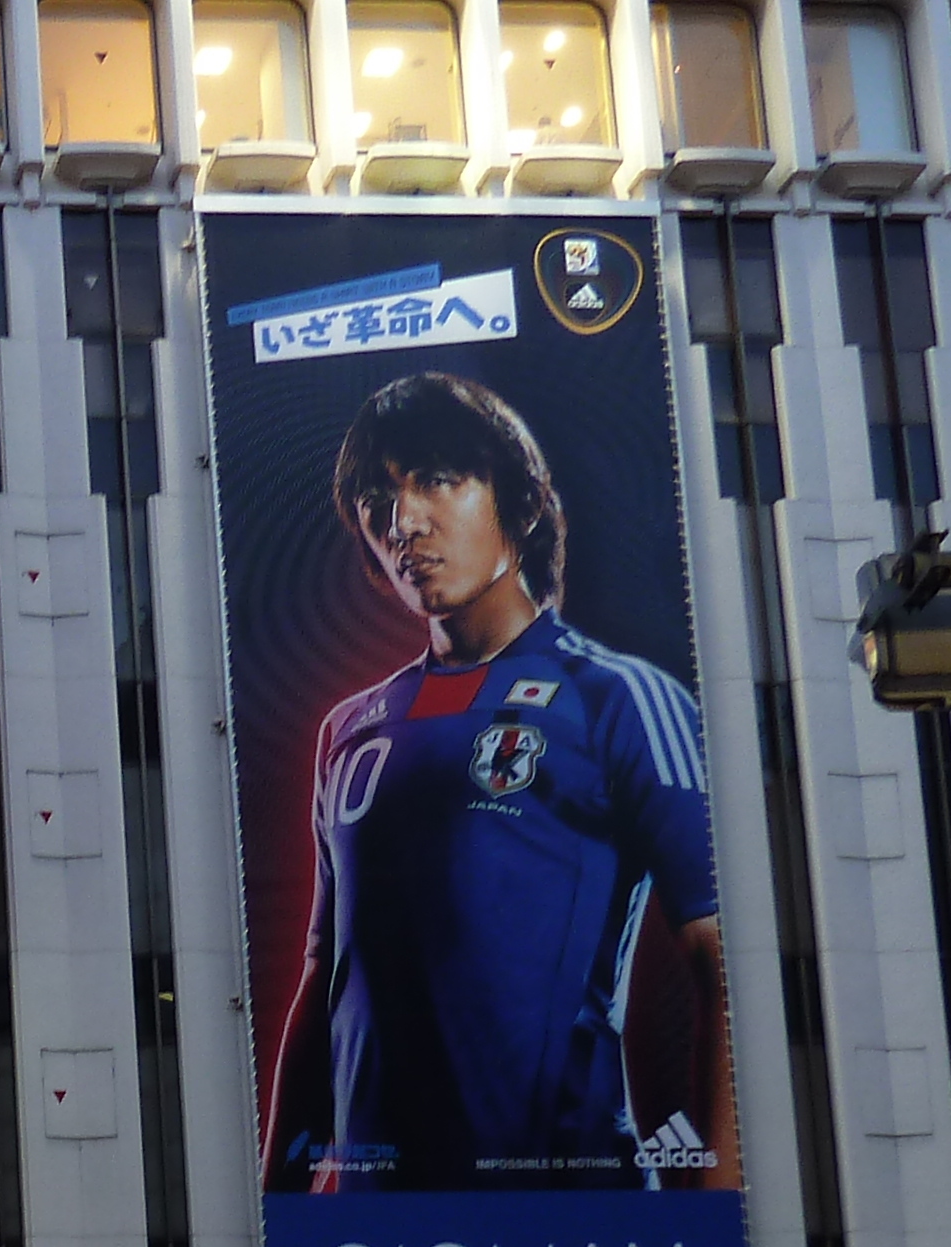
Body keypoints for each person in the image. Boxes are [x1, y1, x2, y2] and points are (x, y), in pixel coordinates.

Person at [257, 366, 729, 1198]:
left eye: (437, 479)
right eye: (377, 496)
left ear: (515, 500)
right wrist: (278, 1225)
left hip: (572, 1220)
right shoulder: (349, 730)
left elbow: (721, 964)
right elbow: (326, 978)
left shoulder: (616, 696)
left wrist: (712, 1210)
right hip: (380, 1246)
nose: (403, 521)